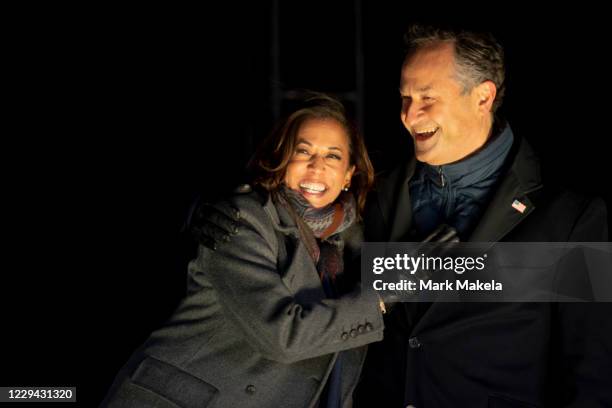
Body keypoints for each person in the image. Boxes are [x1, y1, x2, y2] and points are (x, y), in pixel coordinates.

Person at [195, 24, 611, 407]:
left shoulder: (570, 217)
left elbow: (592, 372)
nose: (409, 116)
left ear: (483, 96)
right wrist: (205, 215)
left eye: (428, 98)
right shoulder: (375, 196)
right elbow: (290, 229)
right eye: (405, 98)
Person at [101, 93, 388, 408]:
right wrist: (378, 300)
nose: (316, 166)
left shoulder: (355, 244)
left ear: (349, 174)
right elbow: (283, 337)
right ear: (281, 159)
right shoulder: (242, 220)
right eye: (302, 150)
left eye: (333, 156)